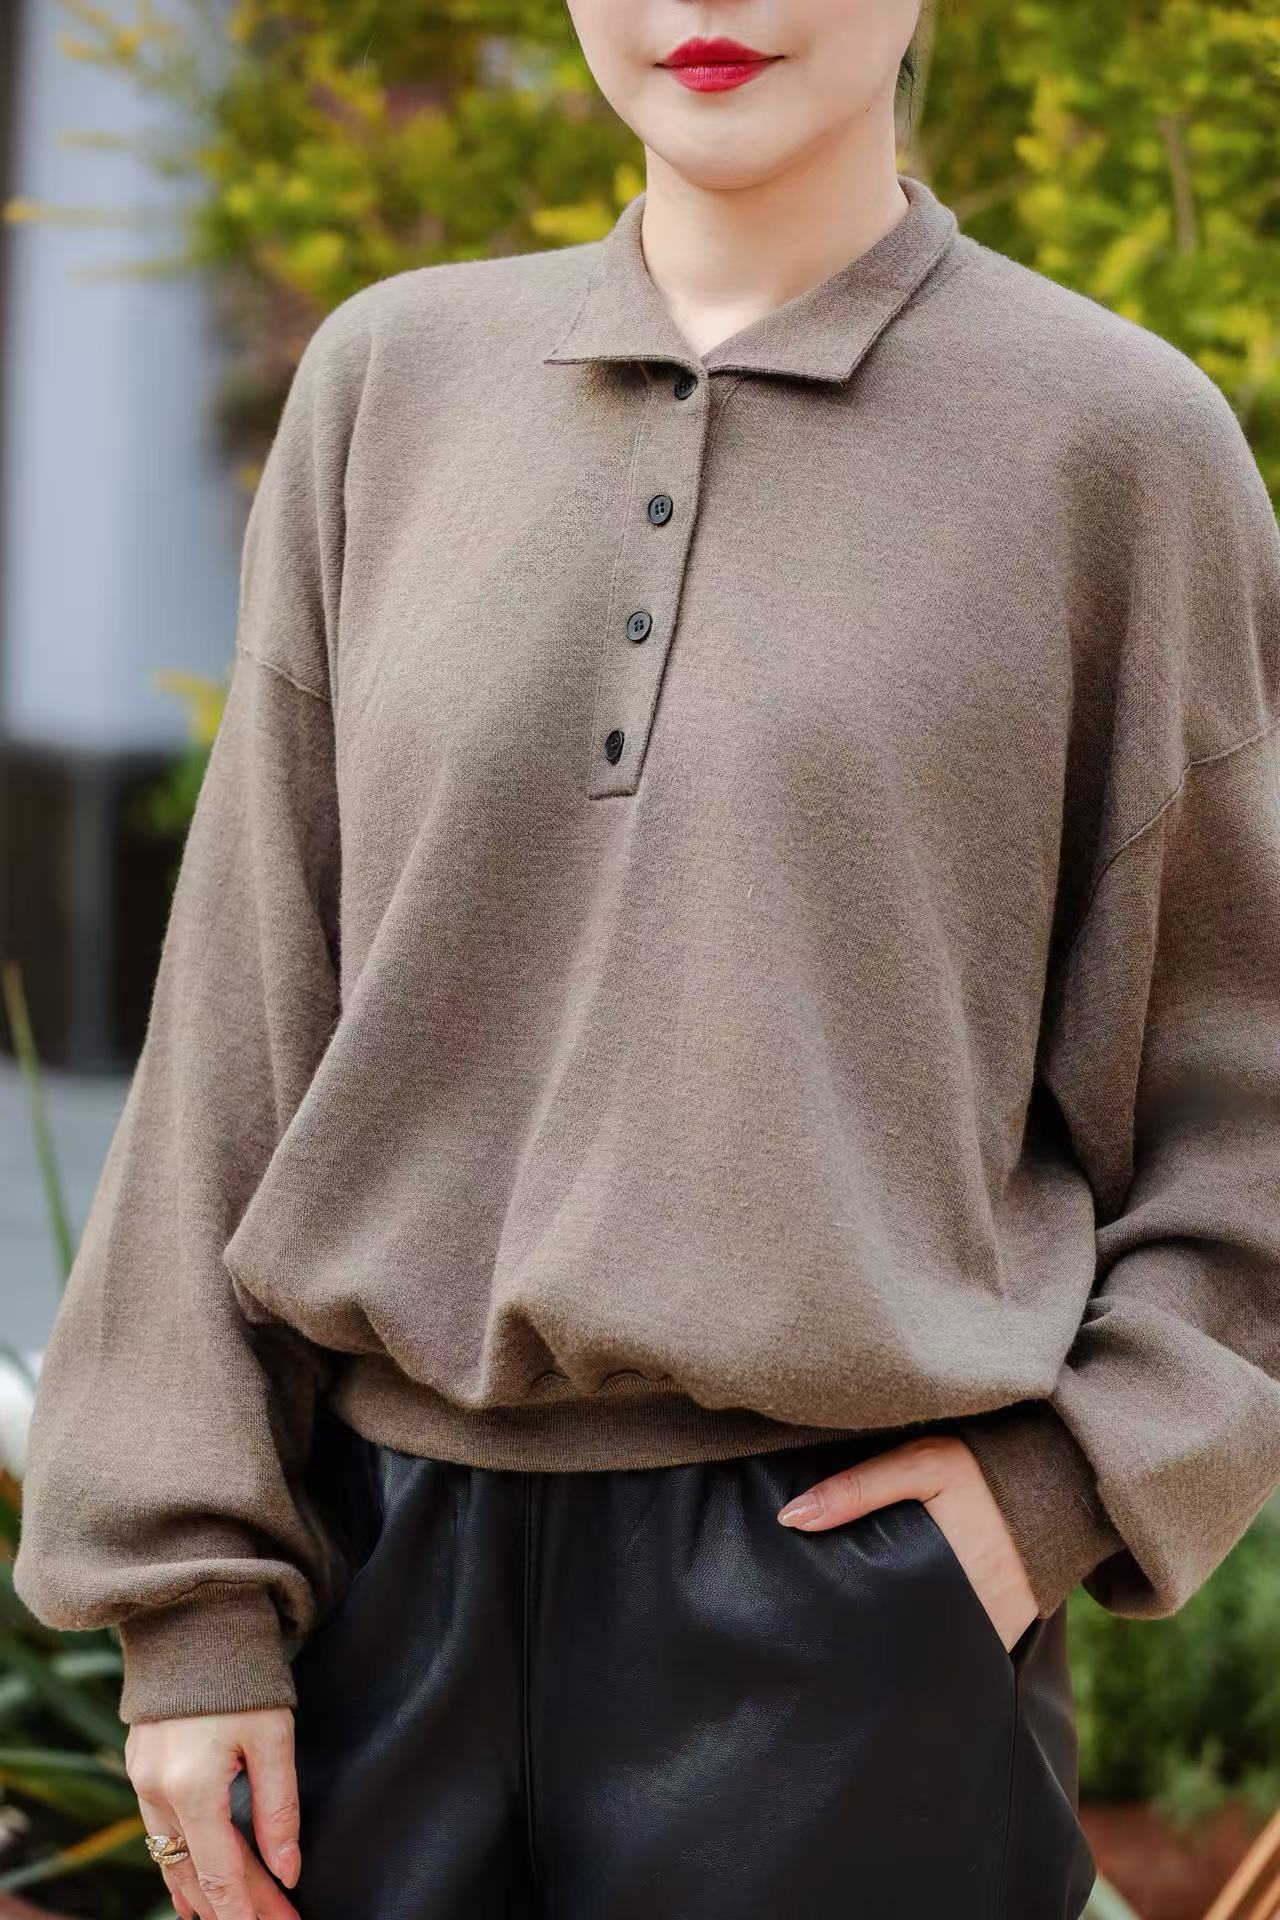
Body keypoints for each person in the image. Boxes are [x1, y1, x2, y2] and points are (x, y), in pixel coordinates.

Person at [13, 1, 1280, 1915]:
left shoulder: (1115, 444)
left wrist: (1061, 1491)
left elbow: (1243, 1099)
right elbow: (235, 1044)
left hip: (844, 1620)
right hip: (371, 1606)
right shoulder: (387, 383)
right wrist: (189, 1611)